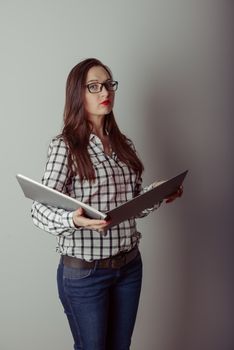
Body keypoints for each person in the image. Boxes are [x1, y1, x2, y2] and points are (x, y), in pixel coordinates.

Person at [31, 58, 183, 350]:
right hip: (85, 273)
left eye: (109, 85)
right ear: (78, 93)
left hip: (129, 267)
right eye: (94, 86)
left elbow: (132, 205)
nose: (105, 93)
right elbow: (39, 209)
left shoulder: (124, 144)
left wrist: (158, 194)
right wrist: (73, 220)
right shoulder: (65, 146)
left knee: (120, 347)